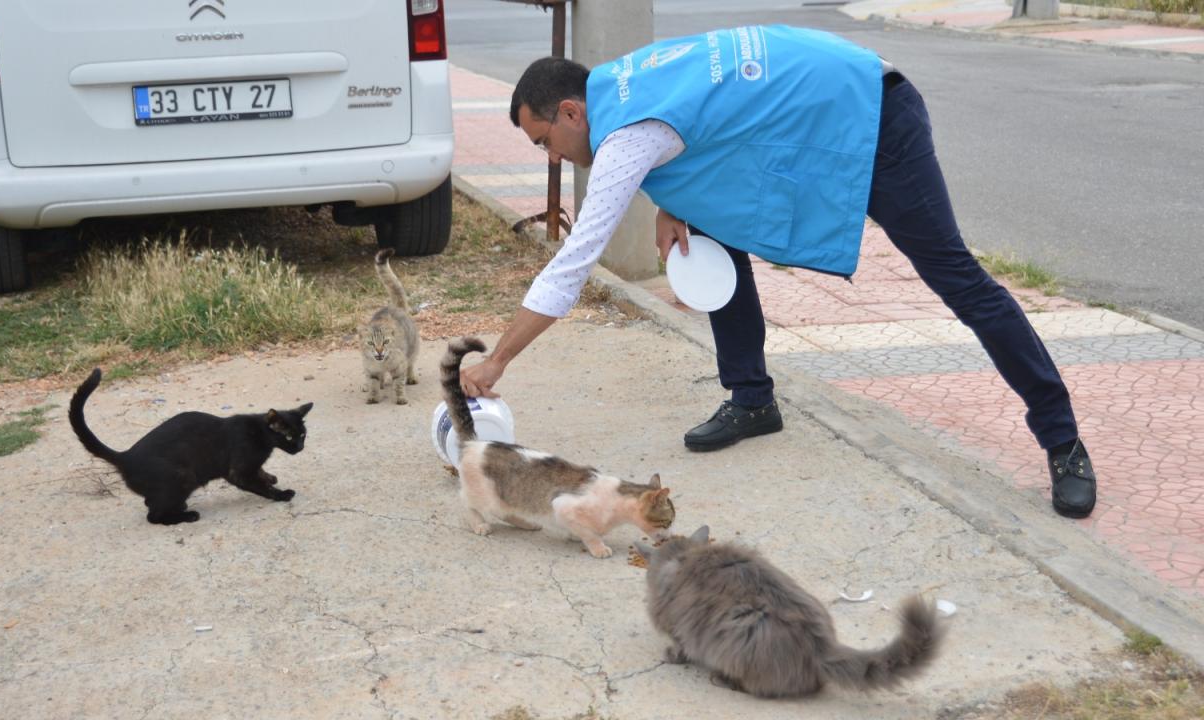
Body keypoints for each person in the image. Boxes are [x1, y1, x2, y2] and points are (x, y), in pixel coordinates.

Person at [458, 25, 1097, 519]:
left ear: (571, 112)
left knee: (957, 279)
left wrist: (496, 363)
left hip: (875, 116)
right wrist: (675, 203)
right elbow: (712, 111)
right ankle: (752, 399)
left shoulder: (624, 132)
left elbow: (573, 264)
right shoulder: (621, 82)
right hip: (816, 119)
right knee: (710, 225)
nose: (550, 155)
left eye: (544, 141)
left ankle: (1062, 438)